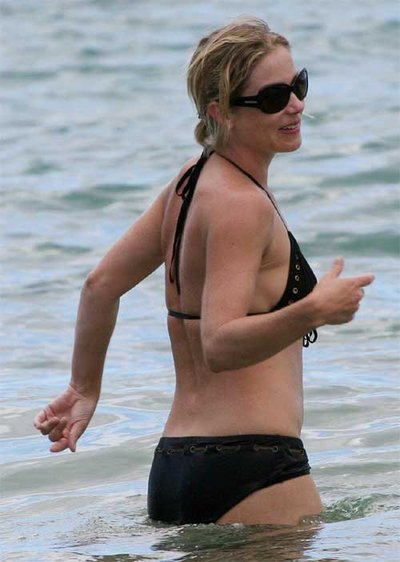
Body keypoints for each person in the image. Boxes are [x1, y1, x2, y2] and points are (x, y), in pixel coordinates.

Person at [34, 17, 374, 526]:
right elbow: (220, 344)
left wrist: (84, 389)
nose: (296, 105)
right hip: (253, 467)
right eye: (273, 97)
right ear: (221, 112)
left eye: (298, 85)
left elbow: (100, 286)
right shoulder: (242, 204)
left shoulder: (189, 184)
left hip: (175, 466)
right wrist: (313, 310)